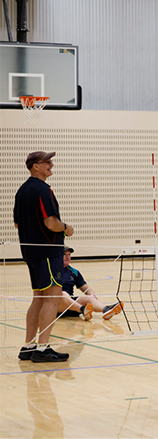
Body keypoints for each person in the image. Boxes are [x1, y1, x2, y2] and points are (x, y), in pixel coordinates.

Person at [14, 151, 73, 363]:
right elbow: (51, 222)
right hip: (48, 251)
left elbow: (17, 224)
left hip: (30, 252)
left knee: (39, 298)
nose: (51, 165)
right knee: (52, 298)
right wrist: (66, 228)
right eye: (47, 162)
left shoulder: (22, 191)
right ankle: (43, 347)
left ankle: (28, 346)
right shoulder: (42, 190)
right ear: (35, 166)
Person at [58, 247, 124, 321]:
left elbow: (86, 288)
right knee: (63, 294)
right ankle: (82, 309)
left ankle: (105, 310)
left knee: (89, 298)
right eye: (65, 255)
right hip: (56, 306)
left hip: (71, 305)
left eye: (69, 255)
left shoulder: (74, 272)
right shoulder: (51, 270)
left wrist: (92, 295)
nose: (67, 257)